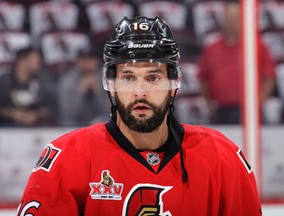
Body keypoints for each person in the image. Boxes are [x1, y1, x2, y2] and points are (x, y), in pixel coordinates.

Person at [18, 16, 262, 215]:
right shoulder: (67, 158)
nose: (140, 91)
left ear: (174, 83)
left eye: (153, 78)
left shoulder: (223, 157)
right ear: (111, 84)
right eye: (128, 78)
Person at [197, 2, 275, 124]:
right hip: (220, 111)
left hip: (249, 109)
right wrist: (209, 104)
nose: (231, 23)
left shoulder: (257, 46)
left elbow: (269, 77)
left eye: (235, 18)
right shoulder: (211, 48)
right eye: (228, 18)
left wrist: (258, 103)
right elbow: (202, 79)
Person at [0, 47, 57, 127]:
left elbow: (52, 107)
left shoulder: (43, 82)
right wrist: (13, 113)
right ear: (23, 61)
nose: (39, 64)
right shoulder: (2, 82)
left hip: (38, 127)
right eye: (36, 61)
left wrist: (36, 114)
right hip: (7, 127)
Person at [57, 48, 110, 126]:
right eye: (83, 59)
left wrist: (98, 92)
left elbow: (110, 110)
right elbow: (68, 111)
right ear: (77, 62)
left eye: (90, 59)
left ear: (97, 61)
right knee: (68, 120)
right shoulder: (68, 79)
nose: (86, 63)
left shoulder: (106, 79)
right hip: (75, 122)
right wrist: (80, 91)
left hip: (100, 121)